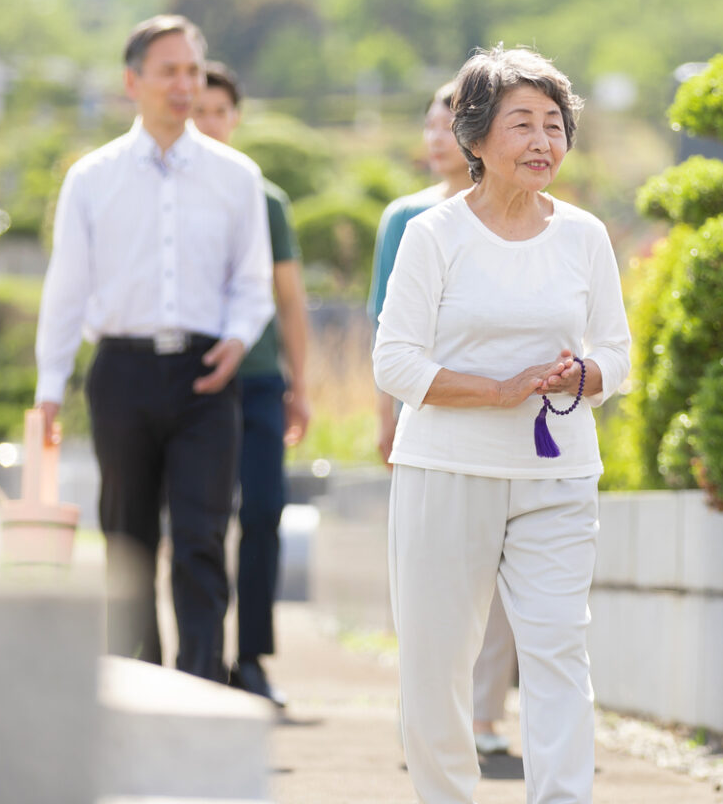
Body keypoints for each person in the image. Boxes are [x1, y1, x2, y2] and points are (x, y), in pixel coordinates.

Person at [373, 46, 630, 804]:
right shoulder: (435, 234)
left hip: (557, 473)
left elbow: (616, 352)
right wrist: (497, 390)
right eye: (522, 123)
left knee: (558, 651)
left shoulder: (584, 235)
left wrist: (588, 377)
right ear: (475, 136)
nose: (543, 140)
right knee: (436, 666)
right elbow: (396, 363)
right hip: (446, 471)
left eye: (555, 124)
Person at [35, 15, 274, 683]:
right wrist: (49, 384)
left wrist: (235, 340)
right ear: (132, 81)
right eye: (169, 71)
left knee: (201, 541)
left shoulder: (236, 176)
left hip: (206, 374)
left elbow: (253, 283)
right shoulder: (92, 176)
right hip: (122, 372)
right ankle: (136, 686)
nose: (184, 84)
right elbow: (66, 284)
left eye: (193, 71)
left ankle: (201, 688)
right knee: (127, 543)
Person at [368, 81, 519, 757]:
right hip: (429, 411)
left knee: (500, 577)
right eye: (429, 124)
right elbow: (385, 333)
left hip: (510, 415)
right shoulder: (405, 220)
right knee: (433, 582)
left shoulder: (530, 216)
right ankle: (431, 722)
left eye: (449, 123)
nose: (436, 137)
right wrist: (386, 420)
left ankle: (483, 718)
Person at [193, 60, 311, 708]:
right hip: (195, 380)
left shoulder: (266, 201)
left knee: (264, 513)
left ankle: (253, 657)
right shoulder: (173, 193)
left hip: (262, 380)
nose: (208, 123)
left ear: (235, 119)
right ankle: (201, 657)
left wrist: (302, 384)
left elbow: (290, 300)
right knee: (201, 520)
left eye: (218, 112)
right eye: (198, 112)